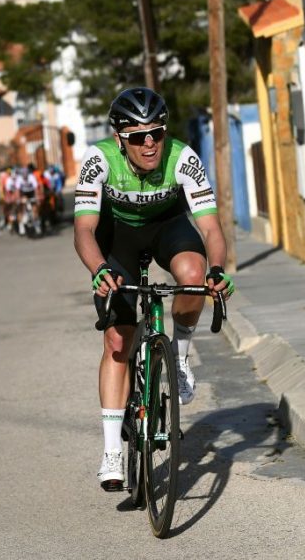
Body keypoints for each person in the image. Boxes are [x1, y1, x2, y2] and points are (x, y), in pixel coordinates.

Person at [72, 86, 236, 490]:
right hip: (117, 237)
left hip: (167, 227)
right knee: (118, 338)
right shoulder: (99, 159)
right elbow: (84, 229)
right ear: (119, 139)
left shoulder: (183, 158)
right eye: (138, 137)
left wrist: (217, 269)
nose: (149, 144)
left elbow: (211, 228)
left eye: (157, 133)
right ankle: (112, 451)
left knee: (193, 275)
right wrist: (98, 269)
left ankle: (178, 358)